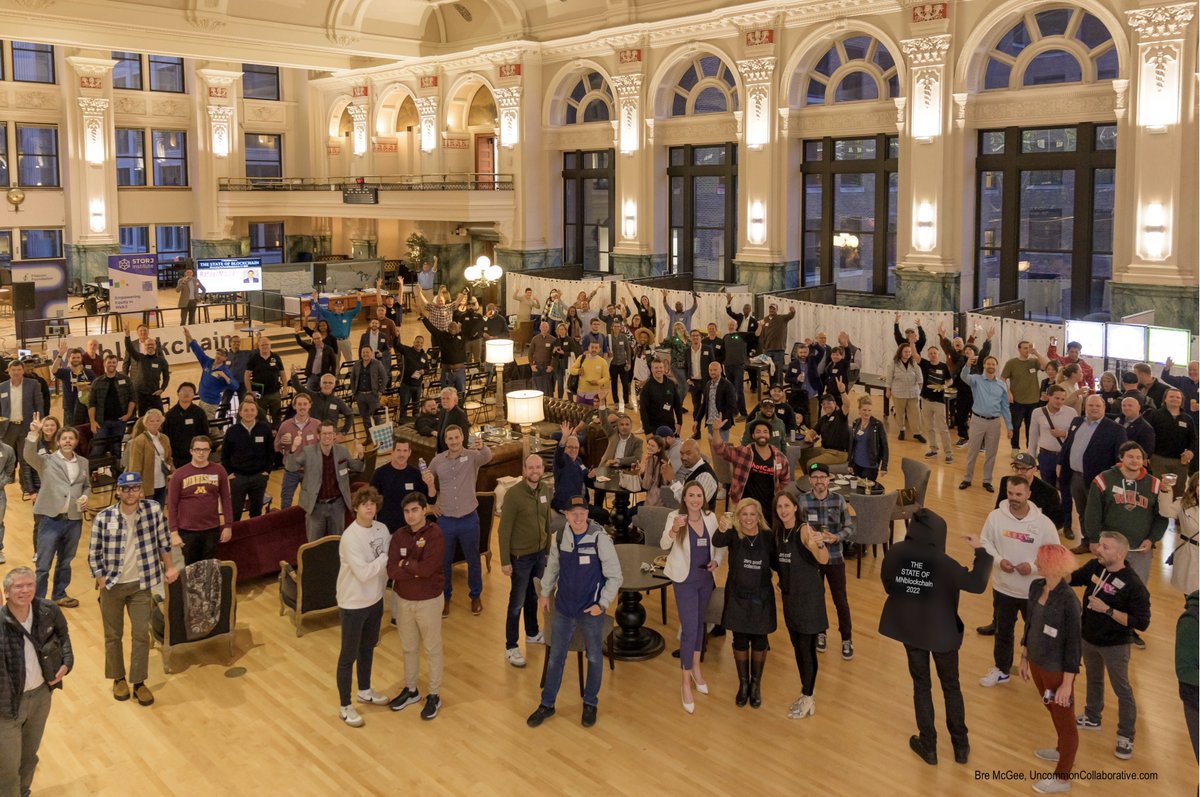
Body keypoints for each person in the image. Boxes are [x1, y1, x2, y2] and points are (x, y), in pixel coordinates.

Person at [879, 508, 993, 766]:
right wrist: (981, 550)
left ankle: (928, 746)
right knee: (951, 687)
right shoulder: (944, 563)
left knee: (921, 686)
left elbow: (888, 584)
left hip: (910, 631)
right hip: (942, 635)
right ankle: (960, 746)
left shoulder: (895, 552)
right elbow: (977, 584)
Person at [526, 495, 623, 729]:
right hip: (564, 608)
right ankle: (547, 704)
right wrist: (545, 593)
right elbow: (553, 567)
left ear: (587, 514)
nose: (578, 518)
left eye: (582, 513)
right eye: (573, 514)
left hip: (591, 610)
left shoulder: (600, 539)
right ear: (566, 515)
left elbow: (615, 576)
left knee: (594, 657)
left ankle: (590, 703)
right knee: (555, 658)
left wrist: (602, 604)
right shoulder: (560, 536)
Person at [89, 472, 178, 707]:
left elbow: (164, 541)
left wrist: (170, 567)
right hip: (112, 585)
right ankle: (118, 678)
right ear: (118, 491)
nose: (130, 493)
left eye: (135, 488)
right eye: (126, 489)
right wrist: (101, 579)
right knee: (113, 635)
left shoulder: (153, 510)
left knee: (140, 634)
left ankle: (139, 682)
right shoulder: (104, 517)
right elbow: (94, 552)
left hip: (141, 584)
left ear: (141, 490)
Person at [1069, 532, 1151, 760]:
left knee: (1122, 690)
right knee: (1093, 678)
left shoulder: (1134, 585)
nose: (1098, 550)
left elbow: (1141, 623)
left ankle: (1126, 736)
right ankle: (1092, 717)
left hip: (1115, 645)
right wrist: (1055, 568)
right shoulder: (1095, 567)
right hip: (1089, 638)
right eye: (1100, 545)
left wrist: (1107, 610)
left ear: (1120, 554)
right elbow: (1073, 578)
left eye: (1106, 547)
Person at [977, 476, 1061, 688]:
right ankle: (1001, 669)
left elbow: (1054, 554)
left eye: (1018, 494)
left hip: (1033, 592)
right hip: (1003, 588)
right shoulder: (995, 517)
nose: (1013, 498)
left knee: (1038, 634)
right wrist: (998, 560)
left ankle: (1045, 674)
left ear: (1028, 494)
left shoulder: (1044, 524)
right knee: (1003, 631)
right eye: (1010, 493)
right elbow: (985, 543)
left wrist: (1032, 567)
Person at [1014, 544, 1083, 794]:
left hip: (1057, 670)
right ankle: (1061, 749)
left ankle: (1062, 778)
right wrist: (1024, 656)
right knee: (1051, 708)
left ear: (1052, 566)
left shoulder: (1069, 601)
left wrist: (1067, 684)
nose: (1035, 563)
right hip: (1036, 663)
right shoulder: (1036, 587)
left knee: (1065, 721)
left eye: (1040, 560)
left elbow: (1074, 646)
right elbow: (1030, 624)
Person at [0, 566, 72, 797]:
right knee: (7, 768)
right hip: (7, 706)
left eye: (29, 584)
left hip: (41, 697)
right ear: (6, 593)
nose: (25, 590)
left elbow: (63, 636)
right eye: (18, 586)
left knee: (29, 757)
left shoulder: (48, 610)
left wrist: (67, 662)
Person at [662, 482, 723, 714]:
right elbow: (664, 544)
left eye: (699, 495)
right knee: (689, 628)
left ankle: (696, 669)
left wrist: (717, 560)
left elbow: (718, 545)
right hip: (684, 580)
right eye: (691, 495)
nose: (696, 499)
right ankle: (685, 682)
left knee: (699, 625)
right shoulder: (675, 517)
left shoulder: (710, 517)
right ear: (684, 499)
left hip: (705, 579)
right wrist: (674, 530)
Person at [334, 486, 391, 728]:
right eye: (364, 504)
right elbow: (365, 573)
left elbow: (383, 568)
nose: (369, 507)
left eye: (372, 503)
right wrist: (384, 559)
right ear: (356, 507)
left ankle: (365, 690)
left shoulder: (382, 529)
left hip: (375, 599)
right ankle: (345, 706)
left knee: (368, 647)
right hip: (353, 603)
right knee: (348, 655)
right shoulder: (350, 537)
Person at [386, 492, 445, 720]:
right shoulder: (398, 536)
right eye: (407, 511)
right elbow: (392, 570)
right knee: (408, 647)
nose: (410, 515)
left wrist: (406, 564)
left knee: (432, 648)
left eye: (415, 510)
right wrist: (414, 569)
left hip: (429, 601)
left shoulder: (435, 534)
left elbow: (428, 569)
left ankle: (434, 695)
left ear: (424, 510)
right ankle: (411, 690)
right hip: (404, 601)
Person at [712, 498, 775, 708]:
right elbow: (717, 541)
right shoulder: (733, 534)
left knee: (759, 641)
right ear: (738, 517)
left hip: (761, 598)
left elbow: (777, 562)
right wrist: (722, 528)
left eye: (752, 514)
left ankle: (756, 685)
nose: (748, 519)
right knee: (739, 640)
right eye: (744, 514)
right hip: (737, 597)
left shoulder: (767, 536)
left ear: (759, 516)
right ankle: (744, 684)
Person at [772, 491, 829, 719]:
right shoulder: (779, 533)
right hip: (790, 599)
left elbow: (823, 559)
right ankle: (807, 690)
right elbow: (781, 564)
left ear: (796, 507)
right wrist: (781, 581)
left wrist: (820, 545)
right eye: (779, 507)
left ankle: (808, 695)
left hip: (809, 599)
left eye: (787, 505)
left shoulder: (804, 530)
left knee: (806, 648)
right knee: (797, 646)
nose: (783, 510)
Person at [424, 425, 492, 617]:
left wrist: (482, 446)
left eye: (456, 437)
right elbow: (428, 479)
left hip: (469, 519)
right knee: (444, 561)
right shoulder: (437, 460)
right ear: (445, 440)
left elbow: (487, 457)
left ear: (462, 437)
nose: (453, 441)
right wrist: (432, 503)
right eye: (450, 438)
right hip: (445, 520)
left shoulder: (473, 456)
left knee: (473, 560)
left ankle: (475, 596)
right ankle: (445, 598)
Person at [1084, 442, 1166, 591]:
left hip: (1139, 549)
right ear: (1121, 457)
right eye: (1130, 456)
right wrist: (1094, 539)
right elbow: (1092, 513)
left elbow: (1162, 516)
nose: (1135, 460)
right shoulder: (1103, 480)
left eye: (1138, 457)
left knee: (1137, 589)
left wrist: (1152, 539)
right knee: (1106, 588)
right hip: (1109, 547)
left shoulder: (1155, 484)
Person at [24, 418, 88, 605]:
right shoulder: (47, 461)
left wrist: (85, 496)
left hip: (74, 519)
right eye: (64, 438)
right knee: (43, 564)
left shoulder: (83, 462)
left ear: (76, 441)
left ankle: (59, 595)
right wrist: (34, 433)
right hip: (50, 519)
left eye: (71, 438)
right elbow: (28, 455)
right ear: (58, 442)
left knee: (66, 561)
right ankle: (38, 600)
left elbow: (86, 485)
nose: (68, 441)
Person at [498, 455, 552, 668]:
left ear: (542, 469)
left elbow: (547, 521)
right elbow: (504, 530)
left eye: (538, 467)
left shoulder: (545, 489)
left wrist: (547, 551)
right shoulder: (514, 495)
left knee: (533, 596)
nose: (535, 471)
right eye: (531, 467)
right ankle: (511, 646)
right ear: (524, 470)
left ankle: (532, 632)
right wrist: (505, 561)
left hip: (539, 555)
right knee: (517, 602)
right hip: (520, 558)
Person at [798, 463, 856, 661]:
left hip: (835, 558)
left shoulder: (839, 500)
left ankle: (846, 638)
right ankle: (821, 632)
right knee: (817, 598)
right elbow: (799, 530)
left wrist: (836, 537)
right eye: (815, 477)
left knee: (841, 600)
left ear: (829, 478)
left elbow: (849, 528)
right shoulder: (802, 501)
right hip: (813, 560)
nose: (819, 481)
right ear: (810, 480)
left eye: (822, 477)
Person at [1059, 395, 1127, 553]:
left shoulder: (1115, 429)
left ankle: (1103, 545)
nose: (1094, 408)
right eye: (1091, 405)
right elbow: (1068, 444)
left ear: (1104, 407)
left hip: (1098, 481)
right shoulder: (1077, 422)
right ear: (1085, 407)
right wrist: (1060, 463)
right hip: (1075, 476)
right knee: (1082, 511)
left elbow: (1120, 458)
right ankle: (1086, 541)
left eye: (1098, 405)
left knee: (1098, 514)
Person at [286, 421, 365, 542]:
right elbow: (291, 467)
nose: (327, 436)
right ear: (318, 436)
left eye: (330, 433)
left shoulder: (342, 451)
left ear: (334, 435)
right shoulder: (308, 452)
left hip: (337, 505)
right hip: (316, 506)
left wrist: (361, 455)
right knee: (314, 544)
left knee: (337, 542)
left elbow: (358, 467)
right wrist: (293, 449)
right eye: (324, 433)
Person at [166, 434, 233, 565]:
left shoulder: (219, 470)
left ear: (210, 451)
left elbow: (226, 499)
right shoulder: (179, 474)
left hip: (211, 528)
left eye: (205, 449)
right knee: (191, 567)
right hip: (187, 530)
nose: (201, 453)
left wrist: (228, 526)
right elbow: (172, 505)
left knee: (209, 566)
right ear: (191, 451)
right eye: (198, 449)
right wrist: (173, 532)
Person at [712, 417, 790, 525]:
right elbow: (720, 449)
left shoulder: (780, 458)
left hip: (768, 510)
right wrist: (716, 430)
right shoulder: (743, 453)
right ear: (753, 436)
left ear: (770, 435)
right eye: (758, 432)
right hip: (742, 507)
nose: (762, 434)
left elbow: (785, 481)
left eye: (765, 432)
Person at [1027, 385, 1078, 533]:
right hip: (1045, 456)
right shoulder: (1038, 413)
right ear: (1048, 396)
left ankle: (1067, 525)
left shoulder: (1071, 413)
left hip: (1064, 458)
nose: (1060, 401)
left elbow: (1076, 435)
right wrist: (1031, 459)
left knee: (1066, 492)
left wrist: (1063, 433)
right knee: (1047, 491)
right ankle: (1048, 523)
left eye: (1062, 399)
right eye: (1057, 398)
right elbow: (1033, 436)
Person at [220, 398, 274, 521]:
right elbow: (224, 455)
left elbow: (270, 452)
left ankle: (254, 533)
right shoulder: (232, 431)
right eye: (246, 410)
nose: (249, 413)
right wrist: (229, 473)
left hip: (259, 477)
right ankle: (235, 533)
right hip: (238, 478)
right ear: (240, 413)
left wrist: (267, 471)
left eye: (252, 410)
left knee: (256, 511)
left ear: (256, 412)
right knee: (235, 512)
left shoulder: (264, 428)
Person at [1, 360, 46, 505]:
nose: (16, 372)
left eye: (19, 369)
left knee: (25, 458)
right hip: (8, 427)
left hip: (27, 426)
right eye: (13, 370)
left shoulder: (33, 384)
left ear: (23, 370)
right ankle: (6, 478)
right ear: (8, 371)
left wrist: (40, 423)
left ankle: (27, 487)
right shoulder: (2, 387)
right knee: (4, 455)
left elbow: (39, 405)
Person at [369, 440, 428, 533]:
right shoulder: (380, 473)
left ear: (409, 453)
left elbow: (428, 499)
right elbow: (371, 500)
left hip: (411, 528)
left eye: (405, 451)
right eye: (398, 450)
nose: (402, 454)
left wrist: (431, 485)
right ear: (392, 452)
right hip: (386, 529)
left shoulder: (416, 474)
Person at [1002, 341, 1048, 449]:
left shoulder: (1034, 362)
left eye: (1029, 348)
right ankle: (1015, 448)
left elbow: (1046, 366)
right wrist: (1008, 392)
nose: (1027, 350)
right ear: (1019, 349)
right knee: (1016, 425)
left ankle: (1030, 449)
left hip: (1033, 401)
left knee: (1031, 427)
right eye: (1025, 348)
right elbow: (1002, 378)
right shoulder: (1011, 363)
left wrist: (1036, 353)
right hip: (1017, 401)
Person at [1146, 388, 1196, 485]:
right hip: (1158, 460)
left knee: (1179, 490)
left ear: (1181, 400)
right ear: (1165, 399)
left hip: (1180, 462)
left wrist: (1190, 451)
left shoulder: (1187, 419)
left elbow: (1193, 439)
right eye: (1171, 396)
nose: (1175, 399)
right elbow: (1148, 436)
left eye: (1178, 397)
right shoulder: (1155, 415)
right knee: (1159, 489)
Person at [183, 328, 235, 414]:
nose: (218, 356)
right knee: (201, 420)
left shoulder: (225, 371)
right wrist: (189, 336)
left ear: (225, 358)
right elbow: (198, 351)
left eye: (221, 355)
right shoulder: (208, 362)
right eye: (218, 353)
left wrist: (225, 377)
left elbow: (235, 386)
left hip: (211, 404)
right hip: (202, 400)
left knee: (207, 422)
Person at [800, 391, 852, 472]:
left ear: (835, 404)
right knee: (802, 454)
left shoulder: (840, 415)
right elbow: (812, 432)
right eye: (824, 404)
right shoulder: (823, 419)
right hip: (824, 450)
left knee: (811, 464)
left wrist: (842, 391)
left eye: (829, 403)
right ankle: (808, 476)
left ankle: (812, 477)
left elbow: (847, 404)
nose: (826, 406)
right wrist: (808, 436)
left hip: (838, 453)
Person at [420, 310, 468, 397]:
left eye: (455, 327)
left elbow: (472, 327)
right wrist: (424, 318)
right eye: (451, 327)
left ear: (458, 329)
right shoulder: (443, 336)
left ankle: (460, 406)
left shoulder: (463, 336)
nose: (453, 328)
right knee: (446, 394)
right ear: (448, 329)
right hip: (447, 372)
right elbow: (432, 329)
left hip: (460, 372)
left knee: (461, 394)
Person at [308, 291, 364, 364]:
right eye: (337, 306)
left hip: (345, 341)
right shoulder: (329, 315)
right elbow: (320, 310)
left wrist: (359, 298)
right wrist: (315, 299)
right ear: (334, 307)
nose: (339, 308)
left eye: (340, 306)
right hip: (334, 341)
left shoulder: (348, 315)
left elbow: (357, 309)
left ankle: (351, 371)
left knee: (349, 360)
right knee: (335, 360)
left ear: (343, 307)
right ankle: (336, 371)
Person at [162, 382, 209, 469]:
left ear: (194, 395)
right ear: (178, 393)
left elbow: (205, 434)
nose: (186, 393)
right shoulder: (169, 415)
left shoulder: (199, 413)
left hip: (196, 454)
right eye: (183, 391)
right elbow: (165, 437)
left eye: (190, 391)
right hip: (176, 457)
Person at [918, 346, 953, 462]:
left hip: (939, 402)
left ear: (938, 354)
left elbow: (950, 380)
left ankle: (948, 453)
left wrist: (945, 385)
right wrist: (912, 342)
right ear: (928, 355)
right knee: (929, 427)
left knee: (943, 428)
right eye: (931, 353)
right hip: (926, 400)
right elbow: (915, 355)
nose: (933, 355)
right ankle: (933, 449)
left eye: (935, 353)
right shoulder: (925, 364)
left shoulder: (943, 366)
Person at [885, 343, 925, 444]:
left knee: (916, 413)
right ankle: (901, 430)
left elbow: (919, 376)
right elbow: (889, 377)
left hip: (913, 392)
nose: (908, 353)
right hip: (899, 392)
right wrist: (888, 390)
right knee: (900, 413)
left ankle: (917, 433)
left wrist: (920, 388)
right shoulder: (894, 363)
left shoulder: (914, 363)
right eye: (906, 351)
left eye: (909, 352)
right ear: (900, 352)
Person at [123, 334, 170, 416]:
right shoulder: (140, 358)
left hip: (155, 393)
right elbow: (129, 348)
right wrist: (127, 336)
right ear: (144, 346)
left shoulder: (162, 361)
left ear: (155, 346)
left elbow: (166, 377)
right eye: (148, 345)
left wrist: (162, 389)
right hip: (140, 394)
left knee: (160, 416)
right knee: (142, 417)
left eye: (152, 344)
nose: (150, 346)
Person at [243, 337, 285, 427]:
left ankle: (277, 432)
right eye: (262, 345)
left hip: (274, 392)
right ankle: (264, 433)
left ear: (270, 345)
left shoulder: (276, 357)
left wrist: (285, 389)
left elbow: (282, 374)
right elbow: (246, 376)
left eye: (267, 344)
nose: (265, 346)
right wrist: (250, 391)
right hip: (259, 394)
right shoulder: (253, 359)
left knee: (277, 416)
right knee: (260, 417)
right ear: (259, 346)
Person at [849, 394, 889, 481]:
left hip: (870, 466)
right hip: (856, 464)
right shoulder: (856, 423)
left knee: (867, 488)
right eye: (864, 410)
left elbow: (884, 446)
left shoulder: (877, 425)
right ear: (859, 410)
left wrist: (884, 466)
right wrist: (850, 463)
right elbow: (853, 445)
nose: (867, 413)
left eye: (869, 410)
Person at [638, 359, 682, 437]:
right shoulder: (646, 388)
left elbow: (677, 405)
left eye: (661, 367)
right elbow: (643, 411)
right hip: (654, 430)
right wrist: (647, 432)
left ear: (664, 369)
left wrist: (679, 422)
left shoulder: (671, 384)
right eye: (656, 368)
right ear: (651, 369)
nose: (659, 370)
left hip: (670, 427)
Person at [349, 345, 388, 433]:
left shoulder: (377, 364)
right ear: (361, 353)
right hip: (360, 396)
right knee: (365, 418)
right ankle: (369, 437)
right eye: (363, 352)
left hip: (373, 395)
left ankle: (379, 437)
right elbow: (352, 378)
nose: (365, 354)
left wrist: (380, 391)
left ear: (371, 353)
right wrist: (354, 392)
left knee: (376, 417)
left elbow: (385, 378)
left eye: (367, 352)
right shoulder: (357, 364)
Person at [757, 303, 796, 385]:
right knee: (771, 371)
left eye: (774, 308)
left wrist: (793, 311)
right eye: (770, 308)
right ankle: (772, 388)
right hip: (767, 350)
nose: (772, 310)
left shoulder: (782, 318)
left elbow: (791, 315)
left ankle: (779, 388)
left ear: (777, 310)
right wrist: (763, 348)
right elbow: (762, 334)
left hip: (779, 350)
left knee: (778, 371)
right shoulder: (765, 319)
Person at [394, 335, 432, 419]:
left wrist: (424, 371)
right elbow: (397, 345)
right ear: (414, 342)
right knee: (404, 407)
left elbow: (427, 369)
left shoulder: (424, 355)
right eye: (417, 342)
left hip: (418, 386)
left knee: (416, 408)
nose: (419, 344)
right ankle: (402, 423)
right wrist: (396, 336)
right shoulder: (407, 350)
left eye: (421, 343)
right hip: (406, 385)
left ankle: (416, 423)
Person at [293, 322, 338, 391]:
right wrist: (296, 333)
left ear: (321, 338)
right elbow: (300, 343)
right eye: (315, 339)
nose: (317, 340)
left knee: (323, 394)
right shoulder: (311, 348)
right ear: (313, 340)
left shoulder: (329, 349)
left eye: (318, 338)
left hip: (323, 376)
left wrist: (333, 376)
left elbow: (333, 364)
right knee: (310, 394)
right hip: (312, 377)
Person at [570, 340, 609, 407]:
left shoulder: (603, 362)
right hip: (581, 394)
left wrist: (597, 382)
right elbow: (571, 370)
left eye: (596, 348)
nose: (594, 349)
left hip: (595, 396)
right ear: (588, 348)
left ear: (599, 349)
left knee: (594, 413)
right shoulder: (581, 358)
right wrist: (578, 371)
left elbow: (607, 378)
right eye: (592, 347)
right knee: (580, 412)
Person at [433, 387, 470, 454]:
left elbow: (464, 437)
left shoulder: (460, 414)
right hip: (443, 452)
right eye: (443, 398)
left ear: (455, 401)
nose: (444, 401)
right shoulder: (442, 411)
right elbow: (441, 432)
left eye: (448, 398)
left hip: (455, 453)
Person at [608, 318, 634, 409]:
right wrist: (608, 353)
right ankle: (616, 402)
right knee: (614, 384)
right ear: (612, 327)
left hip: (623, 364)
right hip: (613, 365)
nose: (616, 328)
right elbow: (605, 349)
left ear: (620, 328)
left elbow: (628, 350)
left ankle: (626, 402)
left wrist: (629, 363)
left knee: (625, 384)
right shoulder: (609, 338)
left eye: (618, 326)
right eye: (615, 326)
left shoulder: (624, 337)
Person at [528, 321, 556, 396]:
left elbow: (555, 355)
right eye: (543, 327)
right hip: (537, 366)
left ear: (548, 328)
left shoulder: (553, 339)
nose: (544, 328)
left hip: (547, 367)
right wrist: (531, 365)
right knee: (536, 388)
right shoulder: (535, 339)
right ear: (540, 328)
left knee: (548, 389)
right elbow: (530, 353)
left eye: (546, 327)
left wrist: (551, 366)